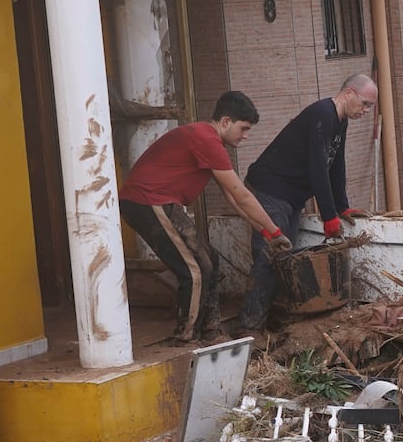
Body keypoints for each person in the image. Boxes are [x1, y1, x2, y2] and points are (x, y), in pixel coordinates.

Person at [121, 92, 293, 343]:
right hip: (147, 201)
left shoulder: (206, 138)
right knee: (193, 269)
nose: (245, 136)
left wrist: (266, 233)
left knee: (209, 259)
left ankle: (211, 330)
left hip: (159, 202)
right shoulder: (206, 139)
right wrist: (275, 231)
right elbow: (242, 195)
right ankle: (185, 338)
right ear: (225, 122)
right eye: (243, 128)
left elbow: (234, 200)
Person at [238, 74, 378, 332]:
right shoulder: (322, 114)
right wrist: (328, 216)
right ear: (348, 93)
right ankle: (249, 329)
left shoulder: (340, 121)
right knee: (269, 258)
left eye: (370, 107)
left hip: (291, 196)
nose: (367, 111)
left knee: (285, 258)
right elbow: (317, 168)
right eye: (365, 104)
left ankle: (273, 322)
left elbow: (335, 165)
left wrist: (341, 206)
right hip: (271, 189)